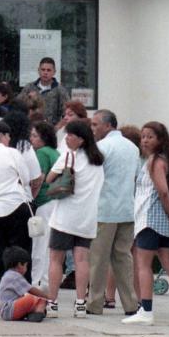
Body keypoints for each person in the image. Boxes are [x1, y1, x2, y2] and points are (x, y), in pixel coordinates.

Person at [124, 121, 169, 326]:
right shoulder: (167, 161)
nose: (144, 140)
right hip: (163, 222)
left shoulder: (155, 163)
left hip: (150, 220)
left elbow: (163, 192)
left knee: (143, 265)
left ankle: (146, 311)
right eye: (143, 136)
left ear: (160, 140)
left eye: (150, 136)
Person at [45, 119, 105, 318]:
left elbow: (49, 179)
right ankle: (80, 303)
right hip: (87, 218)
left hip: (64, 217)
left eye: (70, 135)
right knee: (82, 260)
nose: (67, 138)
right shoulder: (98, 160)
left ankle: (52, 303)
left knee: (56, 260)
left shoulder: (68, 157)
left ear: (80, 139)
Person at [86, 109, 140, 316]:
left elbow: (93, 178)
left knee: (98, 258)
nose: (93, 128)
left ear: (108, 125)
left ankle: (95, 302)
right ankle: (130, 303)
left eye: (95, 124)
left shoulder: (101, 147)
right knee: (123, 258)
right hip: (127, 208)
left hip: (105, 209)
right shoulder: (132, 148)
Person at [0, 120, 34, 298]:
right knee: (20, 248)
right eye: (8, 135)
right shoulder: (12, 153)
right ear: (1, 135)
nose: (9, 138)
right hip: (14, 205)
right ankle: (21, 286)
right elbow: (26, 179)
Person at [29, 120, 60, 289]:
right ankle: (47, 279)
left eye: (34, 136)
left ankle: (37, 281)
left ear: (43, 138)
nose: (31, 139)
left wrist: (32, 198)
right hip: (55, 201)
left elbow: (38, 178)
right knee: (50, 243)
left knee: (39, 243)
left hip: (44, 201)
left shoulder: (41, 153)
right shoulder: (55, 152)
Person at [0, 246, 49, 322]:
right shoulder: (15, 276)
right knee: (38, 299)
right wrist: (47, 296)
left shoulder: (7, 275)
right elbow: (31, 290)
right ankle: (38, 312)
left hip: (6, 312)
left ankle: (35, 311)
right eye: (26, 265)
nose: (26, 269)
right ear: (19, 265)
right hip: (10, 310)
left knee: (31, 299)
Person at [19, 57, 70, 126]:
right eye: (43, 70)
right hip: (29, 128)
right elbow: (18, 106)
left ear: (54, 72)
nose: (45, 72)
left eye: (48, 70)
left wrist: (56, 129)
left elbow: (67, 113)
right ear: (38, 70)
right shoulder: (29, 87)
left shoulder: (60, 90)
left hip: (50, 129)